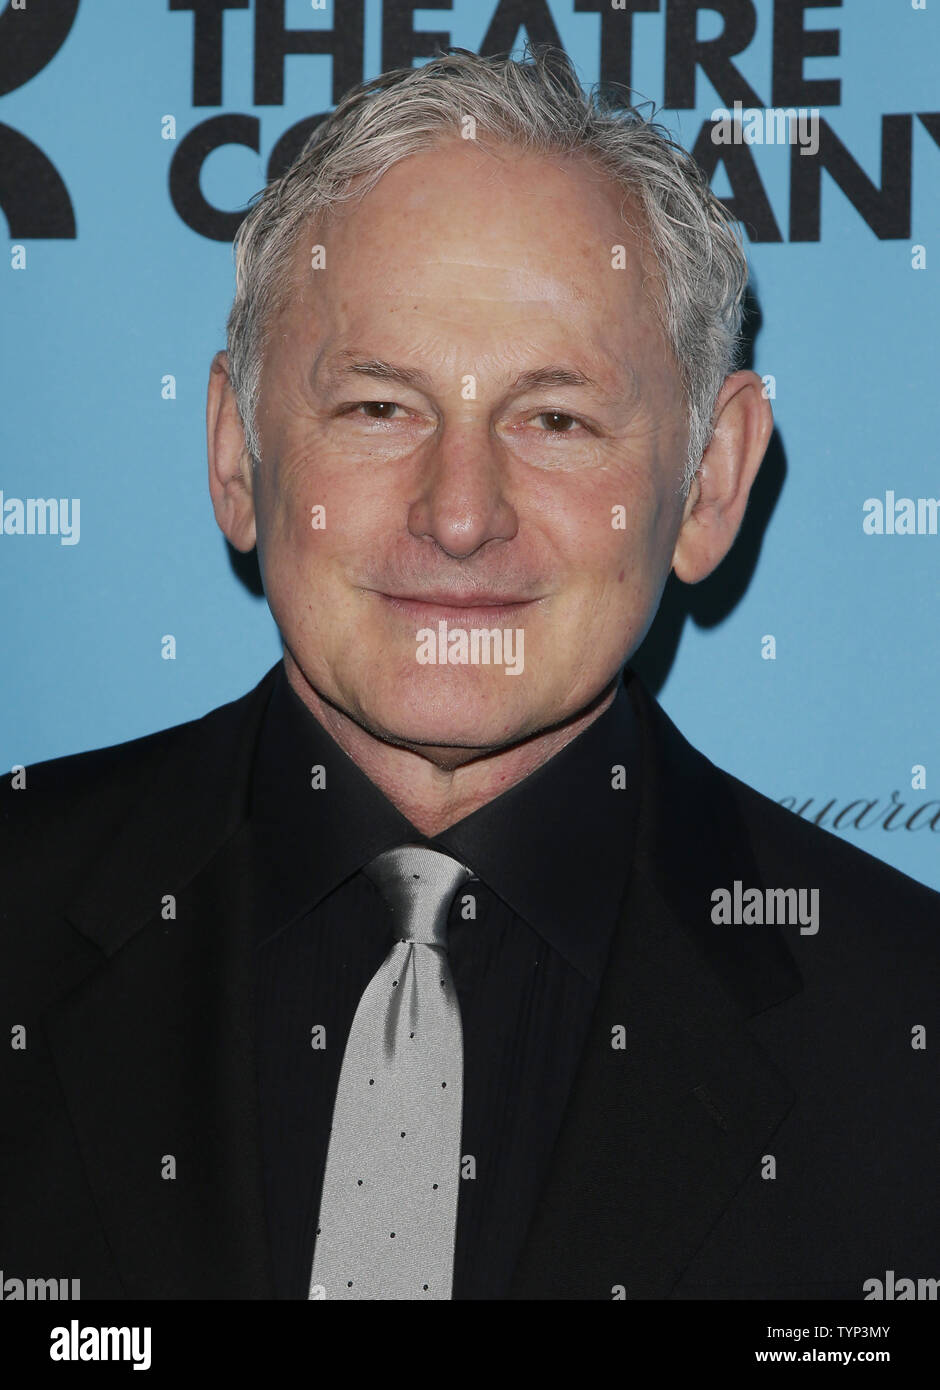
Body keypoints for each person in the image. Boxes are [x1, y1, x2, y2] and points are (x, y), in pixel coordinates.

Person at [2, 46, 937, 1302]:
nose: (457, 515)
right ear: (236, 454)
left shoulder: (904, 1036)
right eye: (379, 407)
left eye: (554, 418)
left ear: (709, 482)